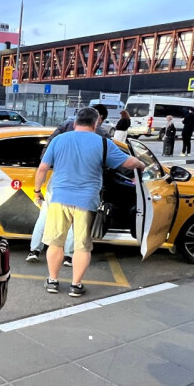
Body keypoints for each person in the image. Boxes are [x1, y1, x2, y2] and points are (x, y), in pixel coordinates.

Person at [33, 107, 144, 297]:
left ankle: (52, 281)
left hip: (60, 198)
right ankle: (76, 286)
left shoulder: (59, 139)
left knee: (55, 243)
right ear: (95, 124)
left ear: (75, 123)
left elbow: (43, 168)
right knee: (82, 245)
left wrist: (37, 192)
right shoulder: (103, 143)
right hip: (87, 201)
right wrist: (141, 165)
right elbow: (129, 163)